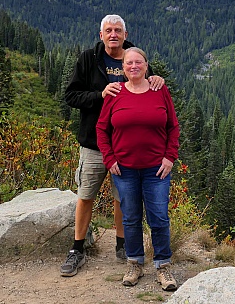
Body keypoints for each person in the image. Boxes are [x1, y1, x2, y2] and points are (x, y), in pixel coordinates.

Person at [60, 15, 164, 277]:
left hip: (126, 148)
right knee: (86, 195)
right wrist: (100, 95)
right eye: (109, 30)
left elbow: (148, 91)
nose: (114, 34)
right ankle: (77, 248)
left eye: (118, 30)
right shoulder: (88, 59)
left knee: (123, 200)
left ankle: (122, 246)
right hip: (94, 145)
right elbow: (70, 95)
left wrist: (157, 80)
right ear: (101, 34)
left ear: (125, 33)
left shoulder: (133, 59)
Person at [96, 47, 179, 291]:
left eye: (138, 62)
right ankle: (135, 263)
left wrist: (169, 157)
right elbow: (102, 129)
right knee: (131, 218)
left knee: (159, 218)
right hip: (125, 170)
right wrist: (109, 159)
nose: (134, 66)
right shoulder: (115, 93)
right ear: (123, 68)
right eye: (129, 63)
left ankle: (163, 266)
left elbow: (173, 126)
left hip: (157, 170)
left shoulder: (159, 89)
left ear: (146, 65)